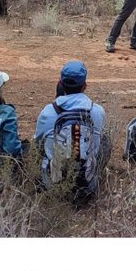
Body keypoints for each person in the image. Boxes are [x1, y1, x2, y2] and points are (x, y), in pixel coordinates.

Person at [34, 60, 107, 203]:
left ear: (60, 84)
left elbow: (38, 144)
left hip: (52, 184)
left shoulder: (48, 112)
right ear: (84, 86)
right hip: (87, 185)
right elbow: (98, 145)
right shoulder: (97, 111)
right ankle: (92, 175)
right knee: (105, 141)